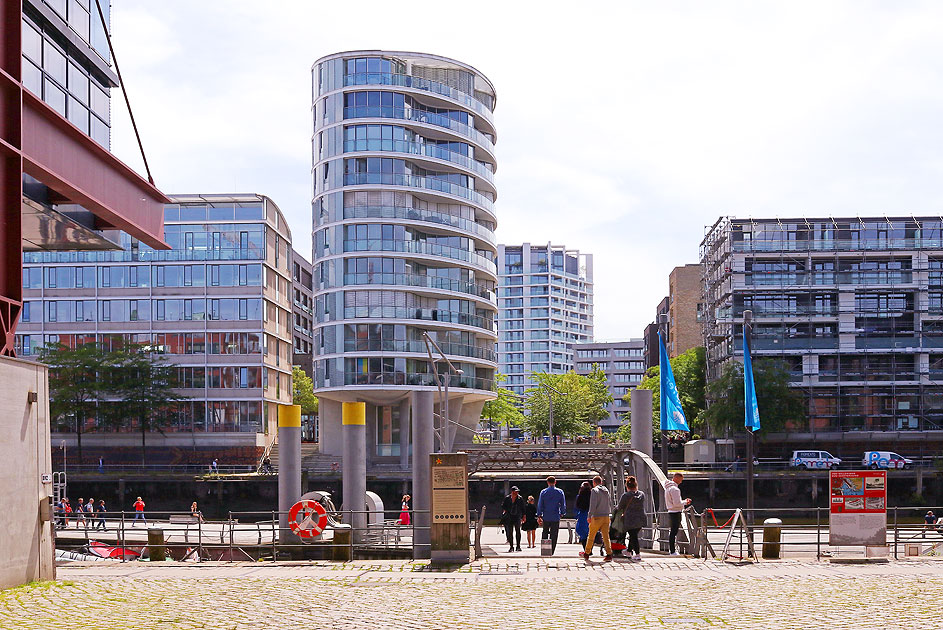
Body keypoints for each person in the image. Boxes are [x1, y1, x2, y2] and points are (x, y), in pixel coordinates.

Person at [580, 475, 613, 562]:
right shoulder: (606, 490)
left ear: (594, 483)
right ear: (601, 482)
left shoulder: (594, 491)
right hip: (606, 516)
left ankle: (587, 553)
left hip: (597, 516)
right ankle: (609, 554)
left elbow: (593, 504)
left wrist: (589, 515)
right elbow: (610, 503)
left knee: (591, 536)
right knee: (606, 536)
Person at [617, 476, 647, 561]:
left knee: (633, 536)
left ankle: (637, 554)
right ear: (636, 485)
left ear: (627, 486)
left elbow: (620, 507)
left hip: (630, 519)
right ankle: (629, 551)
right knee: (633, 535)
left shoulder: (625, 496)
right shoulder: (641, 494)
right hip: (641, 518)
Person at [536, 475, 566, 554]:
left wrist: (539, 515)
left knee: (545, 532)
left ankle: (545, 550)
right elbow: (563, 504)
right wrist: (562, 513)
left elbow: (540, 504)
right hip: (555, 516)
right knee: (554, 534)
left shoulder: (543, 492)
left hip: (546, 516)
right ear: (555, 482)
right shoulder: (560, 492)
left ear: (547, 482)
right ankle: (552, 550)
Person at [664, 472, 691, 556]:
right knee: (674, 532)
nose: (681, 481)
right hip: (676, 512)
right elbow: (677, 503)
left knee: (673, 531)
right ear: (676, 478)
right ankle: (672, 551)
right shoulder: (675, 489)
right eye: (680, 479)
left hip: (671, 511)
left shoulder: (668, 488)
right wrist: (685, 502)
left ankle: (672, 550)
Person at [501, 486, 526, 552]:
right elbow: (503, 506)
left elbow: (523, 508)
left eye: (517, 492)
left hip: (517, 516)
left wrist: (524, 516)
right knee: (510, 532)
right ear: (512, 492)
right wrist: (506, 511)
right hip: (509, 516)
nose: (516, 493)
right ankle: (511, 546)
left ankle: (518, 546)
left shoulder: (520, 498)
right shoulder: (507, 498)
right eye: (515, 491)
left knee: (518, 531)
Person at [574, 481, 592, 547]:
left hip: (582, 515)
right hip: (591, 515)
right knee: (590, 533)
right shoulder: (592, 495)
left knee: (582, 532)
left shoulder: (579, 496)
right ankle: (589, 548)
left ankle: (586, 548)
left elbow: (577, 506)